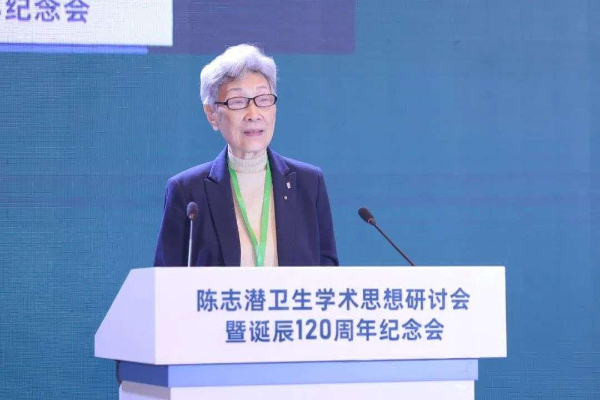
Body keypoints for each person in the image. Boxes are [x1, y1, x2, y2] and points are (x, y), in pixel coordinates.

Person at [153, 44, 338, 267]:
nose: (253, 114)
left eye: (263, 99)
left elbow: (328, 271)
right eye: (238, 102)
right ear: (212, 114)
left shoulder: (309, 183)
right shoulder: (187, 191)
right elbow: (165, 278)